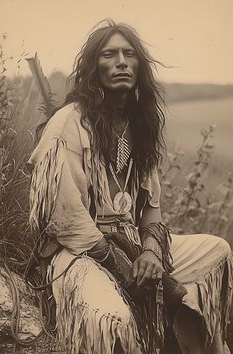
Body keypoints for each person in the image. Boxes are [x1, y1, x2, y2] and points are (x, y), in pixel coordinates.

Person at [28, 20, 232, 354]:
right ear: (95, 67)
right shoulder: (68, 123)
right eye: (110, 54)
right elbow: (61, 217)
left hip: (133, 243)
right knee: (114, 320)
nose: (121, 61)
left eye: (129, 54)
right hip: (80, 252)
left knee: (217, 250)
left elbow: (152, 211)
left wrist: (151, 251)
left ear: (139, 66)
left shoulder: (141, 127)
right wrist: (120, 264)